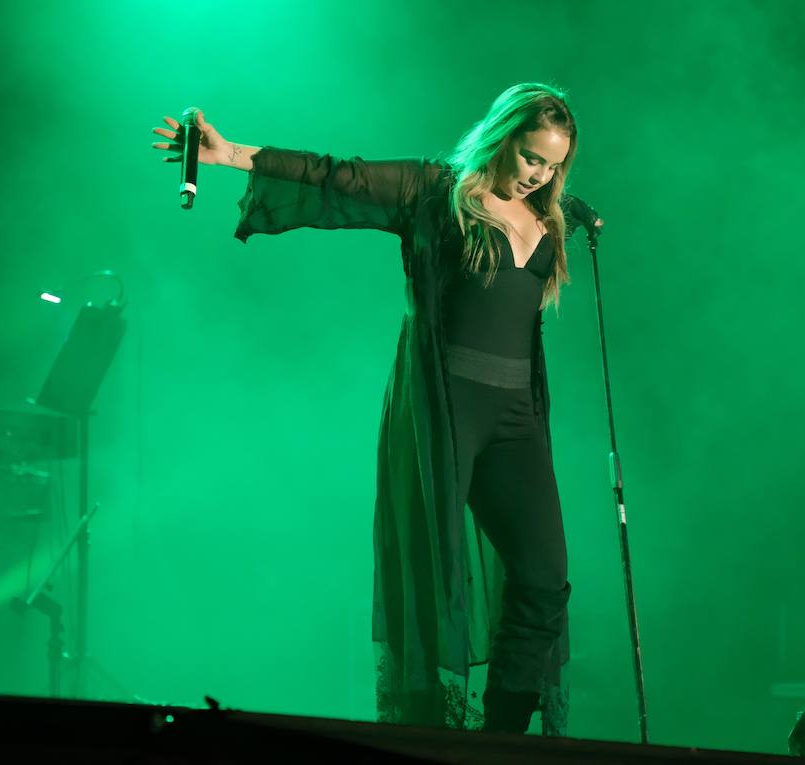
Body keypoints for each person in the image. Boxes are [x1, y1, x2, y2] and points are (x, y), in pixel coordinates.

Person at [153, 82, 597, 735]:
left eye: (554, 164)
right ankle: (439, 733)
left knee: (543, 573)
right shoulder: (436, 190)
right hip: (445, 404)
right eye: (532, 157)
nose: (541, 174)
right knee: (435, 579)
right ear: (503, 138)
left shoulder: (554, 220)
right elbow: (339, 175)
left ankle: (502, 736)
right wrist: (233, 155)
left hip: (516, 415)